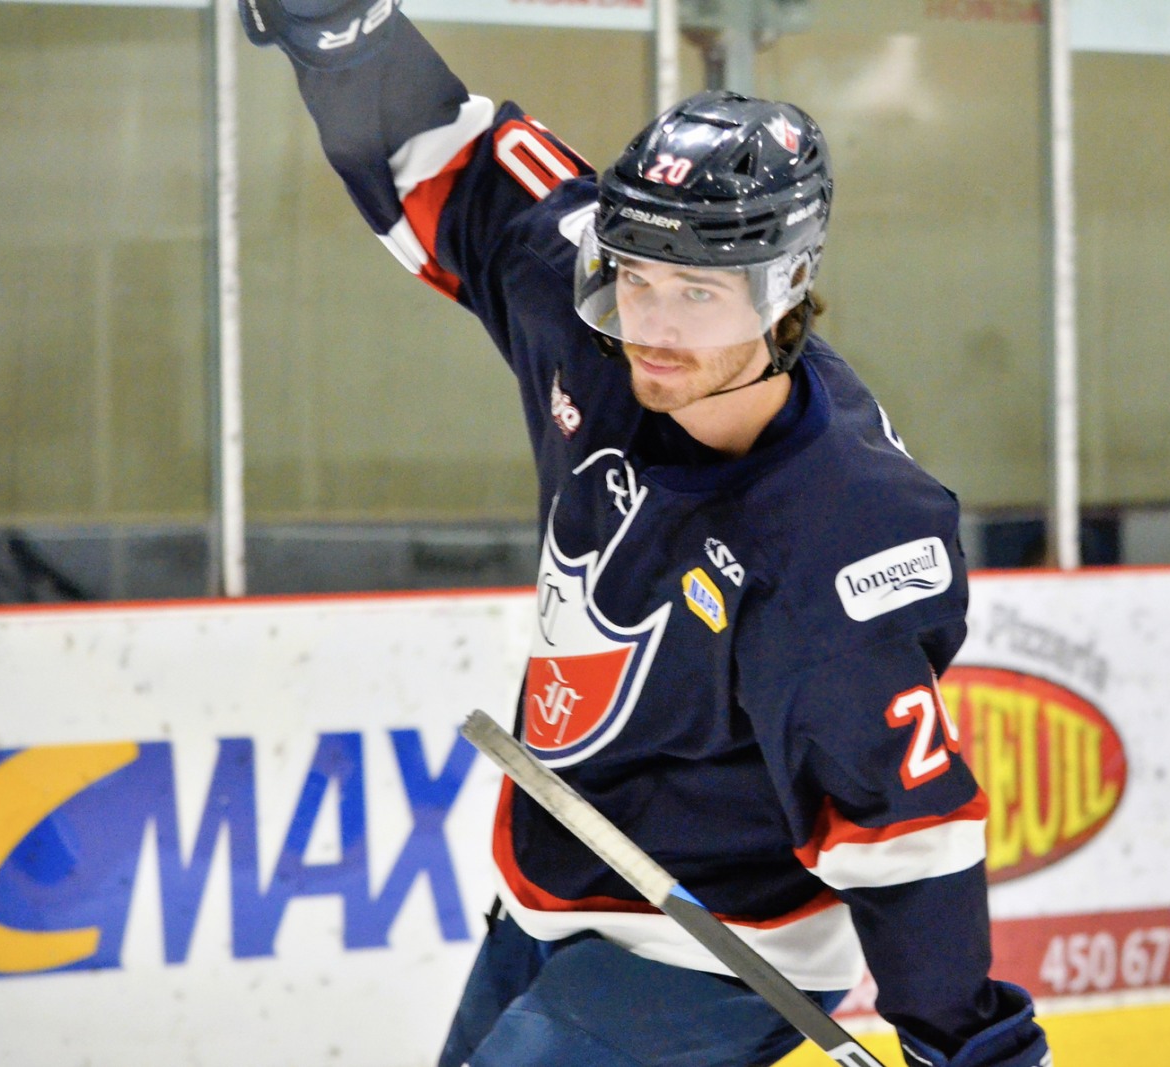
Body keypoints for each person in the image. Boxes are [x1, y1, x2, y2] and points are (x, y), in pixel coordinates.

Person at [240, 2, 1052, 1064]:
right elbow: (450, 159)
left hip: (725, 938)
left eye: (699, 294)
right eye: (638, 280)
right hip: (556, 872)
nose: (655, 327)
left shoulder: (841, 531)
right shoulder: (595, 312)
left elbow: (901, 819)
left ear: (785, 288)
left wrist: (964, 1042)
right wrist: (345, 34)